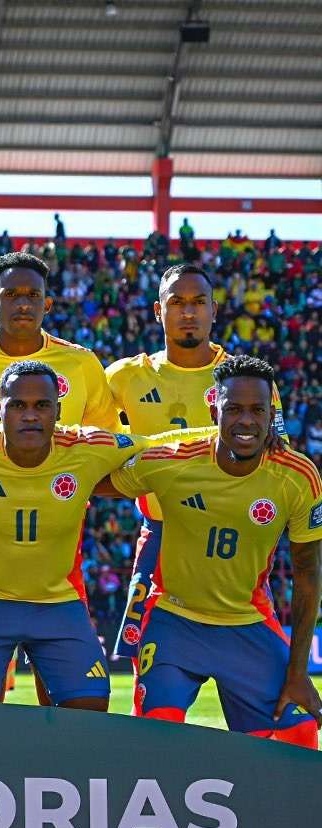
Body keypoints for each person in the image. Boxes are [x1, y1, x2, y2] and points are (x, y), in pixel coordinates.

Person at [107, 355, 322, 748]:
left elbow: (308, 575)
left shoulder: (297, 477)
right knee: (157, 735)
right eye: (234, 409)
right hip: (174, 619)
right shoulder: (171, 460)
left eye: (258, 410)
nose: (246, 421)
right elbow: (95, 481)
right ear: (213, 410)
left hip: (245, 623)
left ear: (271, 414)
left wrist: (298, 671)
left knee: (300, 733)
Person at [0, 361, 162, 710]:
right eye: (18, 405)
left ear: (57, 411)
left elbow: (162, 444)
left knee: (90, 710)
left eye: (41, 405)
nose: (30, 415)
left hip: (59, 604)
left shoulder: (87, 447)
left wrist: (241, 434)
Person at [106, 263, 287, 661]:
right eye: (177, 302)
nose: (188, 312)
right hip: (160, 535)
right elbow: (87, 447)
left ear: (214, 310)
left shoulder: (247, 382)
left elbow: (278, 457)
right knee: (149, 670)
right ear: (159, 311)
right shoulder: (123, 377)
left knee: (251, 671)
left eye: (198, 302)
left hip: (234, 539)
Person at [0, 252, 121, 431]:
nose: (23, 305)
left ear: (47, 304)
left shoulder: (82, 363)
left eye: (33, 295)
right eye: (10, 295)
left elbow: (109, 440)